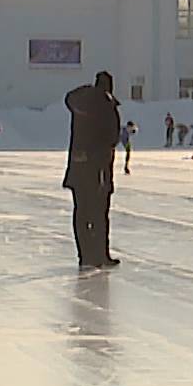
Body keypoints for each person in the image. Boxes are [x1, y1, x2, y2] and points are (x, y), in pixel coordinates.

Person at [64, 72, 121, 269]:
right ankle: (100, 254)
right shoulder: (106, 106)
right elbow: (112, 138)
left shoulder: (79, 103)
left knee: (81, 211)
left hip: (78, 166)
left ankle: (84, 254)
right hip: (99, 169)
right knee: (99, 213)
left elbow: (69, 98)